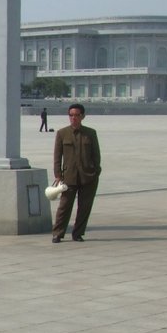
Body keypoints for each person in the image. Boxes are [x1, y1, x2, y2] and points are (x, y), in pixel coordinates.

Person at [51, 103, 102, 242]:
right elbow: (57, 155)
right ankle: (58, 233)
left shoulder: (90, 133)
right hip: (69, 176)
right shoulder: (62, 133)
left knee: (84, 207)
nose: (73, 118)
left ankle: (78, 233)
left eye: (77, 115)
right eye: (71, 115)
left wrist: (96, 171)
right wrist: (58, 174)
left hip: (88, 176)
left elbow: (96, 154)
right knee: (64, 206)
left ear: (83, 116)